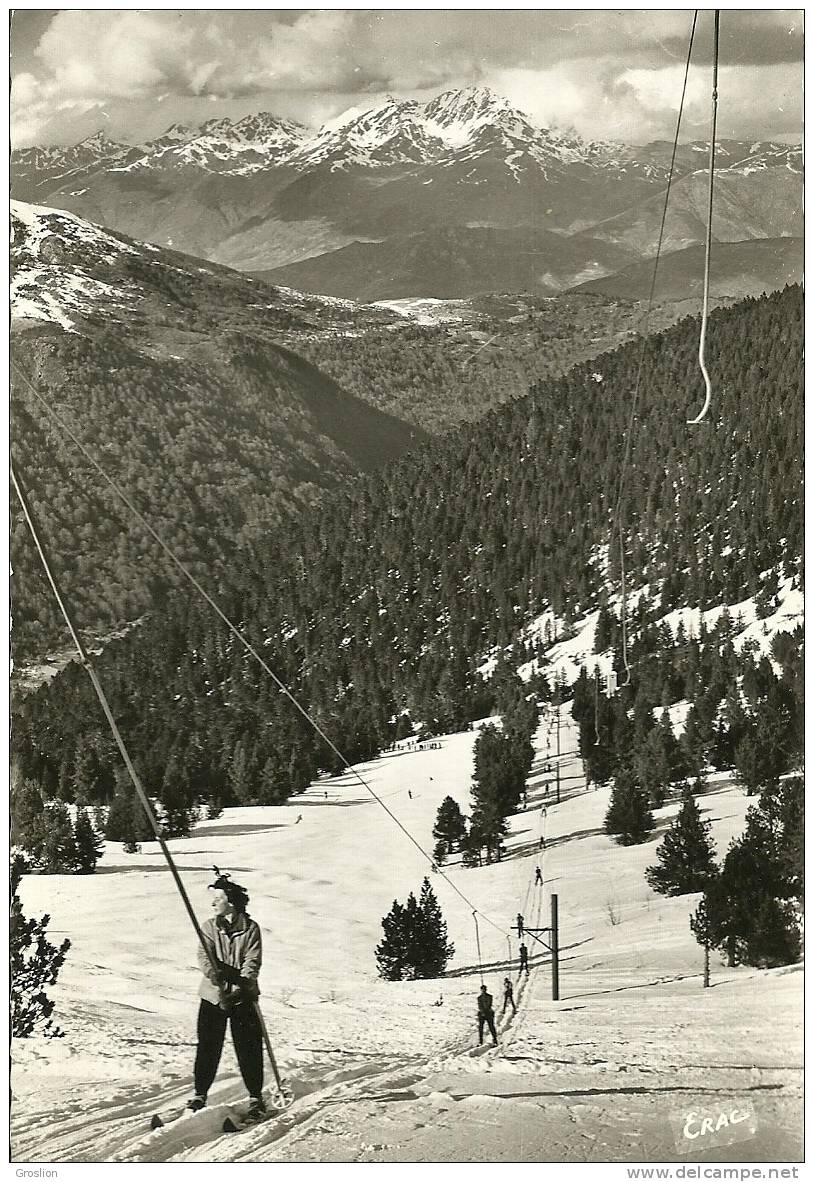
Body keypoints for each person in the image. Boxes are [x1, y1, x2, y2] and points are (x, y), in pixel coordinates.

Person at [188, 869, 265, 1119]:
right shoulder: (209, 927)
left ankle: (255, 1097)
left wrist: (242, 985)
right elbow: (204, 956)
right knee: (208, 1046)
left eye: (218, 898)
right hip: (213, 996)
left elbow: (252, 960)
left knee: (248, 1047)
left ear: (231, 902)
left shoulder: (251, 928)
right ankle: (199, 1095)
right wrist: (215, 976)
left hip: (243, 996)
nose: (213, 903)